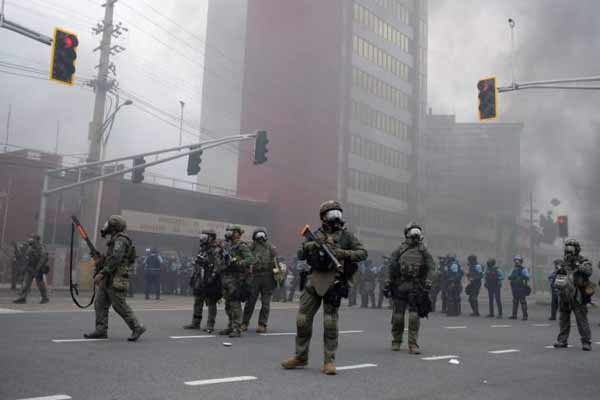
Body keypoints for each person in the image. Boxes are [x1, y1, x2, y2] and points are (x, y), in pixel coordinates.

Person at [282, 200, 367, 375]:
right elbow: (300, 254)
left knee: (330, 322)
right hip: (314, 279)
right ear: (323, 217)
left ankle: (329, 361)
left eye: (338, 214)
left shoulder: (346, 236)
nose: (335, 218)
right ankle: (300, 357)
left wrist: (342, 253)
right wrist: (312, 244)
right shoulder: (315, 234)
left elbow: (362, 253)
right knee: (303, 320)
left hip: (333, 281)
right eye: (331, 214)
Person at [84, 215, 146, 341]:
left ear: (114, 227)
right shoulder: (114, 239)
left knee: (119, 305)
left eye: (109, 225)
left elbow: (116, 258)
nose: (106, 226)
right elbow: (110, 259)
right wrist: (100, 261)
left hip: (116, 277)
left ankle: (137, 327)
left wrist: (102, 273)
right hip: (109, 277)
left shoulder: (121, 240)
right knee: (100, 303)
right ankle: (101, 330)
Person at [386, 222, 434, 354]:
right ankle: (396, 341)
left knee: (414, 317)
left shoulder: (423, 250)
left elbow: (431, 267)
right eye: (413, 232)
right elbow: (391, 266)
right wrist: (388, 282)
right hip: (400, 286)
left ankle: (413, 344)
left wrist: (428, 281)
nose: (415, 235)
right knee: (398, 317)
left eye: (417, 232)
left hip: (416, 286)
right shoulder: (400, 249)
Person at [554, 239, 593, 351]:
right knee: (563, 319)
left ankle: (586, 342)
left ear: (577, 249)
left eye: (572, 247)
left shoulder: (583, 260)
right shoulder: (563, 262)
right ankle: (562, 341)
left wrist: (577, 264)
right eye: (567, 247)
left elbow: (589, 271)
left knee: (581, 319)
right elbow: (555, 276)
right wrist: (559, 268)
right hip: (564, 295)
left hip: (578, 295)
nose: (569, 249)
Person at [183, 229, 223, 333]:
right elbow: (197, 264)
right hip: (199, 279)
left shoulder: (215, 250)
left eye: (205, 237)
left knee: (211, 303)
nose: (202, 239)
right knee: (197, 301)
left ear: (211, 238)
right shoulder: (202, 250)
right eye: (202, 236)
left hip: (209, 279)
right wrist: (193, 277)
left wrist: (213, 277)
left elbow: (218, 266)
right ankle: (195, 323)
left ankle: (210, 324)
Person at [219, 225, 254, 338]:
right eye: (228, 231)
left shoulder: (241, 246)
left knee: (235, 303)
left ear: (238, 233)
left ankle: (236, 328)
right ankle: (230, 326)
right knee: (228, 304)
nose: (229, 233)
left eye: (232, 231)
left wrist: (238, 263)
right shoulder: (227, 245)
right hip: (226, 277)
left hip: (236, 278)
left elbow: (250, 259)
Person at [242, 228, 279, 333]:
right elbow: (245, 256)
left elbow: (276, 258)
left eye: (262, 235)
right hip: (255, 276)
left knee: (265, 303)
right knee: (250, 302)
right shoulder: (251, 247)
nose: (260, 238)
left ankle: (262, 324)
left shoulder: (270, 247)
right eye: (258, 235)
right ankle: (244, 323)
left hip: (267, 277)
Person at [13, 234, 49, 304]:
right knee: (26, 284)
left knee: (40, 284)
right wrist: (16, 247)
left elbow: (43, 258)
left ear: (37, 240)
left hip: (38, 269)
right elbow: (25, 257)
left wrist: (38, 269)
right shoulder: (30, 248)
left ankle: (45, 298)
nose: (30, 239)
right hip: (30, 268)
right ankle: (22, 298)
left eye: (33, 238)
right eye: (31, 238)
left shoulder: (41, 248)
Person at [508, 255, 530, 320]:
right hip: (515, 287)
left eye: (517, 261)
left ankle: (525, 316)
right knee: (515, 301)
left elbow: (527, 277)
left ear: (520, 261)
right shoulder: (513, 269)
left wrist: (521, 277)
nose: (516, 262)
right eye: (515, 261)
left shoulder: (523, 269)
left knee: (522, 301)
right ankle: (514, 315)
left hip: (521, 287)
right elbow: (509, 276)